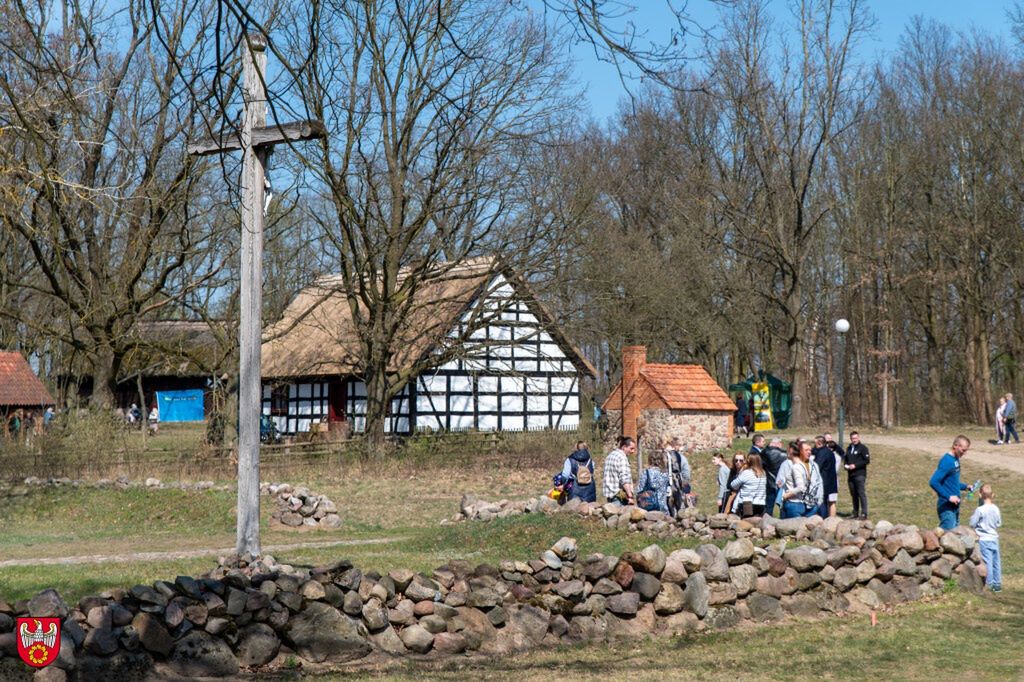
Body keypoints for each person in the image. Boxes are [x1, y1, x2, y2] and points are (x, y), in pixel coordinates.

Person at [929, 435, 971, 530]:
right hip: (947, 507)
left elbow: (951, 482)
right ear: (956, 446)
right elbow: (933, 481)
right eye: (963, 450)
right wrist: (948, 497)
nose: (965, 453)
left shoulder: (955, 459)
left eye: (966, 450)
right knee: (946, 536)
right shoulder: (947, 461)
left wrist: (965, 486)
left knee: (954, 537)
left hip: (955, 506)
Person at [969, 484, 1002, 593]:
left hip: (984, 539)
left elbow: (972, 523)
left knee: (988, 562)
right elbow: (998, 523)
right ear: (993, 495)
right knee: (996, 562)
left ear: (980, 495)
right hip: (994, 538)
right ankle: (997, 584)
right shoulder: (996, 508)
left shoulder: (980, 510)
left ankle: (989, 583)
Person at [781, 441, 823, 518]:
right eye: (806, 450)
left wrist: (785, 496)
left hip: (795, 503)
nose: (809, 452)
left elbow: (801, 487)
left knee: (792, 528)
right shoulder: (802, 465)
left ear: (791, 451)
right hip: (802, 503)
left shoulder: (797, 467)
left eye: (810, 450)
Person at [730, 453, 767, 517]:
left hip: (747, 503)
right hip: (761, 503)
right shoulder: (763, 473)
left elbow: (733, 485)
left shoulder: (746, 473)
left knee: (746, 522)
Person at [844, 431, 870, 519]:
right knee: (853, 494)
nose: (854, 440)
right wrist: (846, 466)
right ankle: (855, 512)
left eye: (855, 438)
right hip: (850, 475)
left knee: (861, 493)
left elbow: (866, 460)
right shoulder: (849, 448)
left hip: (860, 474)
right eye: (852, 438)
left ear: (858, 438)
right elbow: (846, 459)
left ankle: (864, 513)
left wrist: (855, 465)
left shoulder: (863, 448)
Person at [603, 436, 636, 505]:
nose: (633, 451)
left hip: (610, 495)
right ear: (624, 447)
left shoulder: (610, 455)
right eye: (631, 448)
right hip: (619, 497)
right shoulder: (622, 458)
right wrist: (630, 496)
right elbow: (624, 478)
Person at [812, 435, 838, 518]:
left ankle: (822, 519)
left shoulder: (822, 453)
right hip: (830, 481)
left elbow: (817, 466)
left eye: (815, 443)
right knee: (826, 502)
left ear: (819, 443)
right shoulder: (829, 452)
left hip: (823, 481)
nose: (814, 445)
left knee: (821, 502)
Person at [761, 437, 787, 516]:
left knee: (769, 505)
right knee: (783, 505)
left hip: (770, 482)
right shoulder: (785, 454)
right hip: (783, 482)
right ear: (778, 444)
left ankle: (767, 521)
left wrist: (769, 446)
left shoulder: (766, 452)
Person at [665, 437, 692, 513]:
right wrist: (686, 488)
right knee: (679, 507)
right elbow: (686, 474)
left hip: (665, 486)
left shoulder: (662, 456)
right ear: (675, 446)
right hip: (677, 485)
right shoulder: (681, 457)